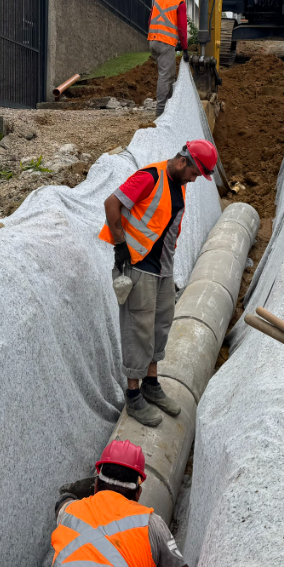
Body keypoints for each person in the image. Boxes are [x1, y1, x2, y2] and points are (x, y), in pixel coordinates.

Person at [99, 140, 218, 427]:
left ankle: (151, 383)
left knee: (160, 324)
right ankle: (133, 393)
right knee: (137, 328)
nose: (194, 179)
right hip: (138, 265)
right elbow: (111, 203)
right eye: (194, 173)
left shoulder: (178, 184)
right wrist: (120, 247)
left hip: (163, 268)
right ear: (182, 162)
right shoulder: (150, 177)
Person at [42, 440, 195, 567]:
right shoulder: (151, 523)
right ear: (138, 494)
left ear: (97, 485)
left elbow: (62, 503)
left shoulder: (70, 513)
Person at [147, 0, 189, 118]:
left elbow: (151, 21)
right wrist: (185, 48)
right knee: (166, 77)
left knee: (169, 75)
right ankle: (160, 112)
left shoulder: (158, 0)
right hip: (165, 44)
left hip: (153, 42)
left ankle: (169, 109)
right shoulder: (180, 3)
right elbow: (182, 29)